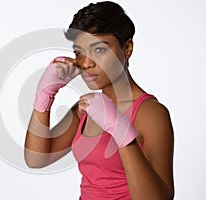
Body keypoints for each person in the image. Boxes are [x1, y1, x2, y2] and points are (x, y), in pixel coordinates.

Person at [24, 1, 174, 199]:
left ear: (127, 48)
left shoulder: (150, 113)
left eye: (99, 50)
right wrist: (44, 97)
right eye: (79, 52)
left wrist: (122, 132)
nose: (86, 63)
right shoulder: (85, 109)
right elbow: (36, 159)